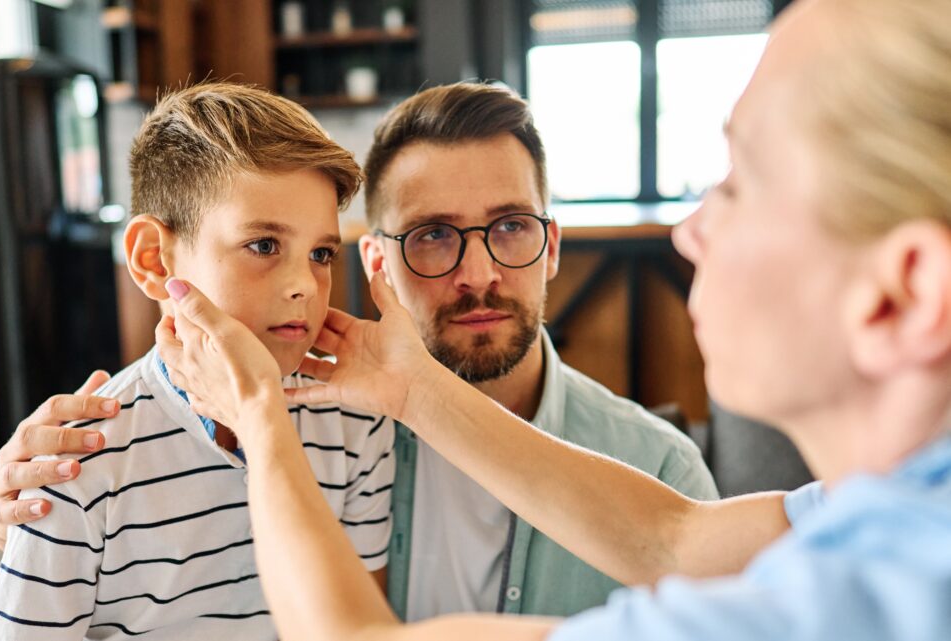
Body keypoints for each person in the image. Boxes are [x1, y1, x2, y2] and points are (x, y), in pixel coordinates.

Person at [152, 0, 951, 639]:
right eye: (433, 235)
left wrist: (259, 417)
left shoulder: (827, 607)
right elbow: (671, 540)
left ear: (905, 292)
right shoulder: (884, 514)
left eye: (740, 182)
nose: (689, 229)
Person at [0, 82, 717, 620]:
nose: (480, 271)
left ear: (552, 245)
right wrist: (30, 507)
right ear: (377, 265)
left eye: (512, 226)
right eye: (432, 234)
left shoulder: (661, 471)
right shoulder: (353, 424)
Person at [0, 83, 395, 640]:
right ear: (154, 260)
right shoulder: (74, 464)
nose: (304, 286)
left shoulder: (357, 425)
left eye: (320, 254)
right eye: (265, 245)